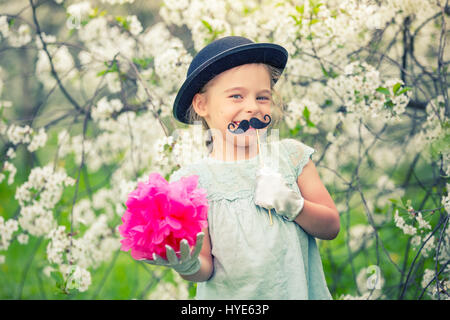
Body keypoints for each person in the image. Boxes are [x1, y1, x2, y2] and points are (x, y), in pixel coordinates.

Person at [144, 36, 340, 300]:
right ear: (202, 105)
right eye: (236, 96)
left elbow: (331, 227)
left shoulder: (291, 157)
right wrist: (187, 264)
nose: (252, 107)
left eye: (262, 97)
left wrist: (294, 205)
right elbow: (205, 267)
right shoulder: (192, 182)